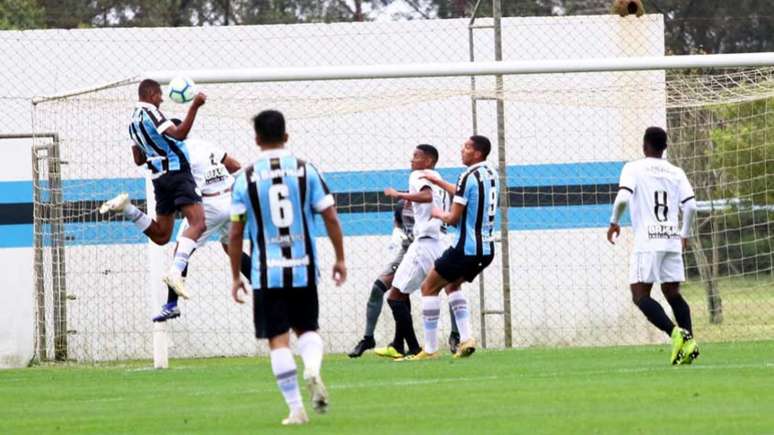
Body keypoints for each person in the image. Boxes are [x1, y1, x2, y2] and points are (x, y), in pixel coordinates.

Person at [228, 110, 346, 426]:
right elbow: (331, 217)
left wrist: (234, 276)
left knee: (277, 340)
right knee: (308, 329)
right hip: (303, 268)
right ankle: (312, 368)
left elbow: (235, 231)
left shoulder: (244, 178)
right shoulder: (307, 171)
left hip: (266, 273)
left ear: (256, 139)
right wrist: (340, 258)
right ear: (286, 135)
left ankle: (296, 409)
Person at [100, 79, 207, 299]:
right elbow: (179, 133)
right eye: (159, 95)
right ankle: (176, 272)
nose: (161, 99)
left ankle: (128, 208)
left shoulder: (132, 124)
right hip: (177, 173)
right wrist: (194, 106)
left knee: (161, 235)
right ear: (150, 94)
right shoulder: (151, 113)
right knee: (198, 223)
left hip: (159, 179)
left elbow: (138, 159)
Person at [607, 126, 699, 365]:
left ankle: (675, 334)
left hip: (648, 242)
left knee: (639, 295)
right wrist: (684, 234)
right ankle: (689, 344)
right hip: (671, 239)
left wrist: (614, 222)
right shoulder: (676, 172)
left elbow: (623, 197)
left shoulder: (633, 168)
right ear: (665, 147)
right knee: (673, 293)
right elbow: (690, 206)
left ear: (644, 146)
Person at [404, 135, 499, 361]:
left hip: (464, 248)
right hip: (485, 250)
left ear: (477, 153)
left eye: (466, 147)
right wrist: (437, 182)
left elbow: (454, 218)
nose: (462, 150)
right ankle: (467, 339)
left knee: (428, 288)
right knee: (453, 286)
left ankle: (429, 349)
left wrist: (436, 213)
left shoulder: (466, 176)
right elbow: (462, 192)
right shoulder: (491, 172)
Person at [152, 120, 251, 322]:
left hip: (209, 206)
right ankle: (265, 288)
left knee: (182, 246)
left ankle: (171, 305)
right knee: (231, 248)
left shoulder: (177, 153)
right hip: (233, 201)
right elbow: (235, 166)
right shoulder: (204, 144)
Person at [373, 145, 459, 360]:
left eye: (416, 156)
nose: (411, 160)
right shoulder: (437, 177)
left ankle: (415, 348)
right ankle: (456, 337)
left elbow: (427, 196)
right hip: (439, 240)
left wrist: (399, 195)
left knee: (395, 296)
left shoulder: (417, 175)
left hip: (424, 244)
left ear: (428, 160)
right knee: (442, 289)